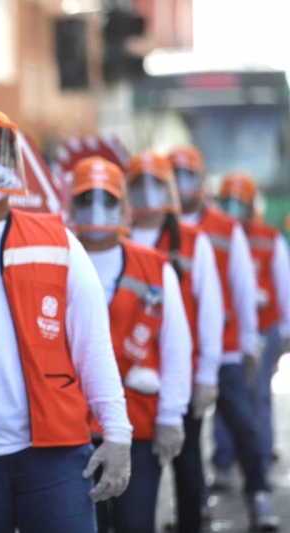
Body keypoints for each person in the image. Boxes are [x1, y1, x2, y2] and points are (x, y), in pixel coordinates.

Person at [0, 105, 132, 533]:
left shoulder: (56, 240)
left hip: (54, 458)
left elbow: (92, 346)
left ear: (16, 164)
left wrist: (117, 433)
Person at [69, 156, 192, 533]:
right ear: (71, 203)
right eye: (86, 198)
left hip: (139, 424)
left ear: (123, 206)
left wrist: (172, 414)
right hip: (70, 429)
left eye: (106, 199)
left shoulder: (154, 266)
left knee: (134, 523)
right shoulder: (55, 257)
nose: (96, 209)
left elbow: (176, 346)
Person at [169, 146, 279, 530]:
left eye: (188, 175)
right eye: (174, 175)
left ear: (201, 181)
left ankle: (259, 494)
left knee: (244, 425)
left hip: (226, 349)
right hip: (181, 355)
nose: (181, 184)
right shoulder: (159, 228)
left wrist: (249, 343)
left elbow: (243, 289)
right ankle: (193, 510)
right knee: (187, 442)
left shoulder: (224, 229)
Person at [125, 150, 223, 533]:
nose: (147, 192)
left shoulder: (193, 240)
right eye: (138, 184)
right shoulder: (118, 236)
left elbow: (211, 309)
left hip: (181, 374)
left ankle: (190, 524)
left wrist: (207, 375)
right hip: (132, 378)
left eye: (155, 182)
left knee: (187, 463)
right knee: (136, 469)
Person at [215, 171, 290, 475]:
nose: (233, 210)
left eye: (239, 203)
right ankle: (224, 456)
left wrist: (285, 330)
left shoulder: (269, 237)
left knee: (258, 393)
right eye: (228, 203)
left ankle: (259, 450)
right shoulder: (213, 237)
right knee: (226, 397)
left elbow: (283, 284)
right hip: (227, 331)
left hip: (264, 326)